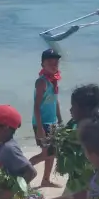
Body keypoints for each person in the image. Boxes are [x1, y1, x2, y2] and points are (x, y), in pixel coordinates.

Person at [32, 48, 63, 188]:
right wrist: (40, 129)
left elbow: (55, 102)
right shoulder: (42, 82)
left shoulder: (54, 81)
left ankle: (46, 180)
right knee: (45, 154)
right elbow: (36, 107)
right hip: (42, 123)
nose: (54, 64)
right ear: (42, 64)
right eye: (50, 61)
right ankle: (20, 172)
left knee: (52, 153)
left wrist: (60, 121)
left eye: (56, 62)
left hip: (52, 123)